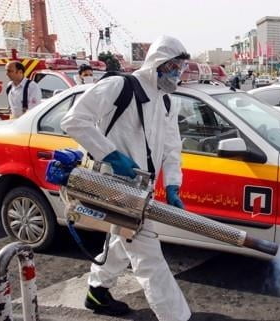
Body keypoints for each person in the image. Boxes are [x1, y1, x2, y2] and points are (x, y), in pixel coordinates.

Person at [61, 35, 191, 321]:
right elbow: (74, 120)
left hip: (142, 191)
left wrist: (172, 184)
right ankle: (177, 316)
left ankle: (97, 290)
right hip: (114, 187)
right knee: (149, 258)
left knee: (124, 237)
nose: (177, 74)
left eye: (181, 67)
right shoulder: (119, 86)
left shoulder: (167, 102)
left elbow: (171, 148)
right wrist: (111, 155)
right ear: (158, 64)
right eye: (173, 67)